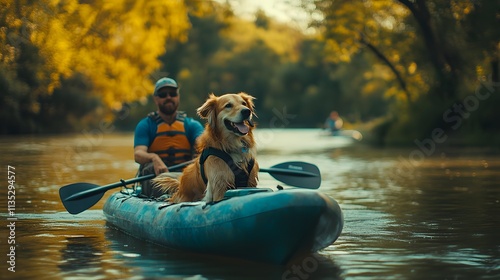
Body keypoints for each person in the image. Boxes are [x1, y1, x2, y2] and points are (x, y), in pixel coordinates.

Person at [134, 77, 204, 197]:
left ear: (178, 96)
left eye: (172, 93)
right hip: (156, 181)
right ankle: (162, 199)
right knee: (149, 167)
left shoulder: (192, 125)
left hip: (184, 179)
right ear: (155, 99)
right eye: (163, 94)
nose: (168, 97)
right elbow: (138, 154)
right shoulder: (146, 125)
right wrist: (154, 158)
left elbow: (203, 144)